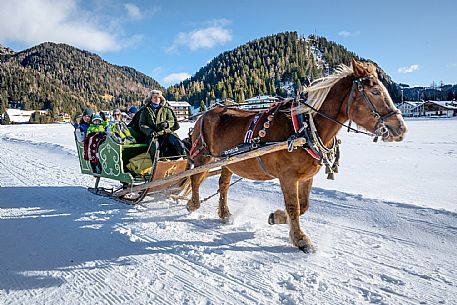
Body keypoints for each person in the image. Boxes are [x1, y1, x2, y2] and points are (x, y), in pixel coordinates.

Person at [139, 90, 185, 162]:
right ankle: (157, 163)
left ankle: (184, 158)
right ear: (151, 99)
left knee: (177, 141)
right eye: (154, 97)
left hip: (166, 132)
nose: (157, 99)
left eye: (158, 97)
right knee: (155, 146)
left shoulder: (166, 109)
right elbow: (142, 124)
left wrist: (167, 124)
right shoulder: (145, 111)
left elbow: (171, 120)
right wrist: (150, 131)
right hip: (153, 135)